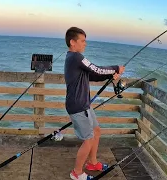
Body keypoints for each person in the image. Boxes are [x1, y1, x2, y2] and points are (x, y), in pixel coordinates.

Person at [64, 27, 125, 180]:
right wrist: (116, 68)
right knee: (88, 139)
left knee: (96, 131)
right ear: (72, 42)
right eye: (82, 40)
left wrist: (111, 74)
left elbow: (93, 75)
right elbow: (97, 69)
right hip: (78, 106)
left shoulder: (74, 59)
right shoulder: (76, 57)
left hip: (84, 104)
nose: (85, 44)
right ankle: (77, 173)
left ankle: (92, 163)